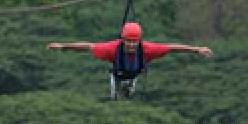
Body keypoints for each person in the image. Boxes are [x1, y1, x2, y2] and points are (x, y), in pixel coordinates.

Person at [47, 21, 213, 99]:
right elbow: (87, 47)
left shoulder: (147, 49)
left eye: (135, 41)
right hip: (117, 74)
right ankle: (119, 92)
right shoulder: (112, 48)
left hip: (134, 74)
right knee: (115, 96)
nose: (132, 45)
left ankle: (129, 87)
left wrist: (197, 50)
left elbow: (172, 48)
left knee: (130, 85)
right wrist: (63, 46)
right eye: (129, 41)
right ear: (123, 39)